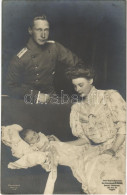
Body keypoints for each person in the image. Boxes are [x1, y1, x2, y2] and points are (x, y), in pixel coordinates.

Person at [48, 64, 126, 194]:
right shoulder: (77, 108)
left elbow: (123, 128)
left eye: (81, 84)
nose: (77, 89)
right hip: (96, 150)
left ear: (90, 81)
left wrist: (112, 150)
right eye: (74, 86)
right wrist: (60, 144)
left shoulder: (110, 96)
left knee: (111, 179)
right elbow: (85, 140)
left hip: (120, 145)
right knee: (96, 175)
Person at [6, 15, 83, 103]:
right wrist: (35, 95)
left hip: (51, 97)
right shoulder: (20, 58)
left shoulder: (54, 47)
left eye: (46, 30)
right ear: (30, 31)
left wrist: (84, 79)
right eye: (39, 30)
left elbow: (76, 63)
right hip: (27, 100)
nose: (43, 35)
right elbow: (10, 88)